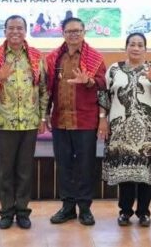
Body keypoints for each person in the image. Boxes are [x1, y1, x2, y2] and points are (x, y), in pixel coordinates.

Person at [0, 15, 48, 230]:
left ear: (25, 31)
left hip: (29, 122)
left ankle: (23, 211)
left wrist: (43, 117)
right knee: (6, 171)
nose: (15, 32)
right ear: (5, 31)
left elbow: (43, 89)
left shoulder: (36, 56)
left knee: (25, 171)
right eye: (11, 28)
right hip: (4, 123)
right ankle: (7, 212)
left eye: (19, 28)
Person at [98, 33, 151, 228]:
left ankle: (144, 212)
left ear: (145, 48)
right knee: (125, 172)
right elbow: (104, 96)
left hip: (150, 129)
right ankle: (125, 211)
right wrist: (102, 119)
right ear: (126, 47)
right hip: (120, 128)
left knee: (146, 172)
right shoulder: (114, 69)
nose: (136, 48)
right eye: (132, 44)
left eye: (140, 45)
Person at [45, 17, 106, 226]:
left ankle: (85, 208)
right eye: (69, 31)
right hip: (60, 120)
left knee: (85, 166)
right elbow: (48, 87)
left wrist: (88, 81)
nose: (74, 35)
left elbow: (102, 85)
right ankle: (68, 207)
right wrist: (46, 113)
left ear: (84, 32)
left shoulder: (95, 58)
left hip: (85, 121)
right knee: (64, 165)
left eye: (77, 31)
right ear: (63, 33)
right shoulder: (54, 58)